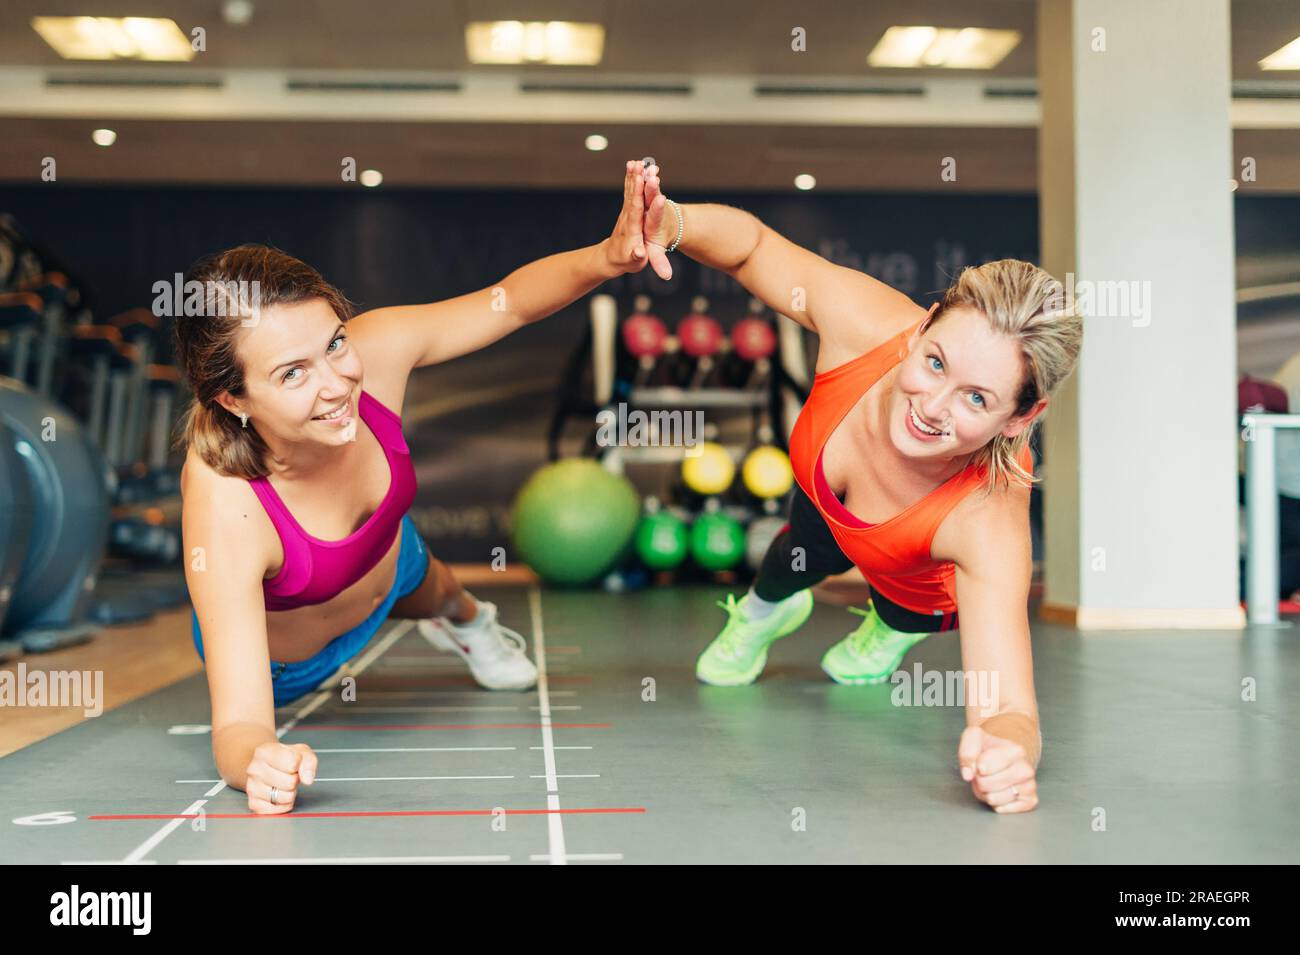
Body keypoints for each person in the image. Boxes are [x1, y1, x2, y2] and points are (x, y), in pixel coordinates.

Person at [177, 160, 655, 814]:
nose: (337, 385)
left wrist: (605, 257)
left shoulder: (375, 353)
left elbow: (510, 301)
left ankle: (470, 624)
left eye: (334, 344)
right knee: (411, 590)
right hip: (294, 665)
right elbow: (237, 722)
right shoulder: (225, 499)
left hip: (390, 560)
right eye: (292, 374)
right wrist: (258, 757)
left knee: (449, 595)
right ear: (233, 398)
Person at [635, 160, 1082, 813]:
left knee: (902, 611)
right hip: (828, 503)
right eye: (936, 362)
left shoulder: (985, 521)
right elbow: (754, 248)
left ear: (1019, 418)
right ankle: (765, 612)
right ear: (924, 326)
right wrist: (672, 222)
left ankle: (889, 630)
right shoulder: (861, 323)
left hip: (918, 574)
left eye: (977, 398)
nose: (932, 407)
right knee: (792, 558)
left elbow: (1007, 706)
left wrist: (1007, 750)